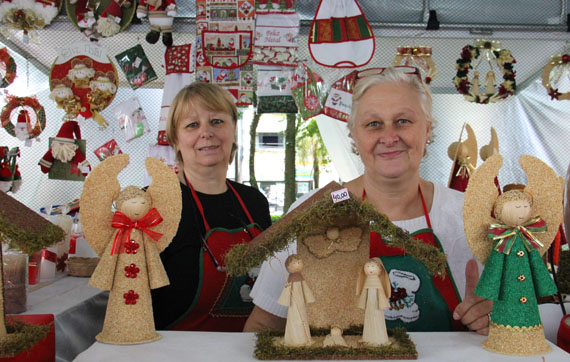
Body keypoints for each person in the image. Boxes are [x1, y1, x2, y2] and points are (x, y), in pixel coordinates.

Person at [244, 67, 492, 334]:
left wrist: (498, 320)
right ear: (354, 134)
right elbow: (263, 326)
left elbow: (521, 322)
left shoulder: (471, 215)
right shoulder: (314, 213)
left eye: (403, 121)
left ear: (427, 129)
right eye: (373, 124)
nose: (389, 137)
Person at [151, 82, 271, 331]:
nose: (206, 132)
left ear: (233, 130)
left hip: (249, 347)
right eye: (192, 125)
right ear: (175, 140)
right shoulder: (154, 203)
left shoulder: (254, 201)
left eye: (217, 121)